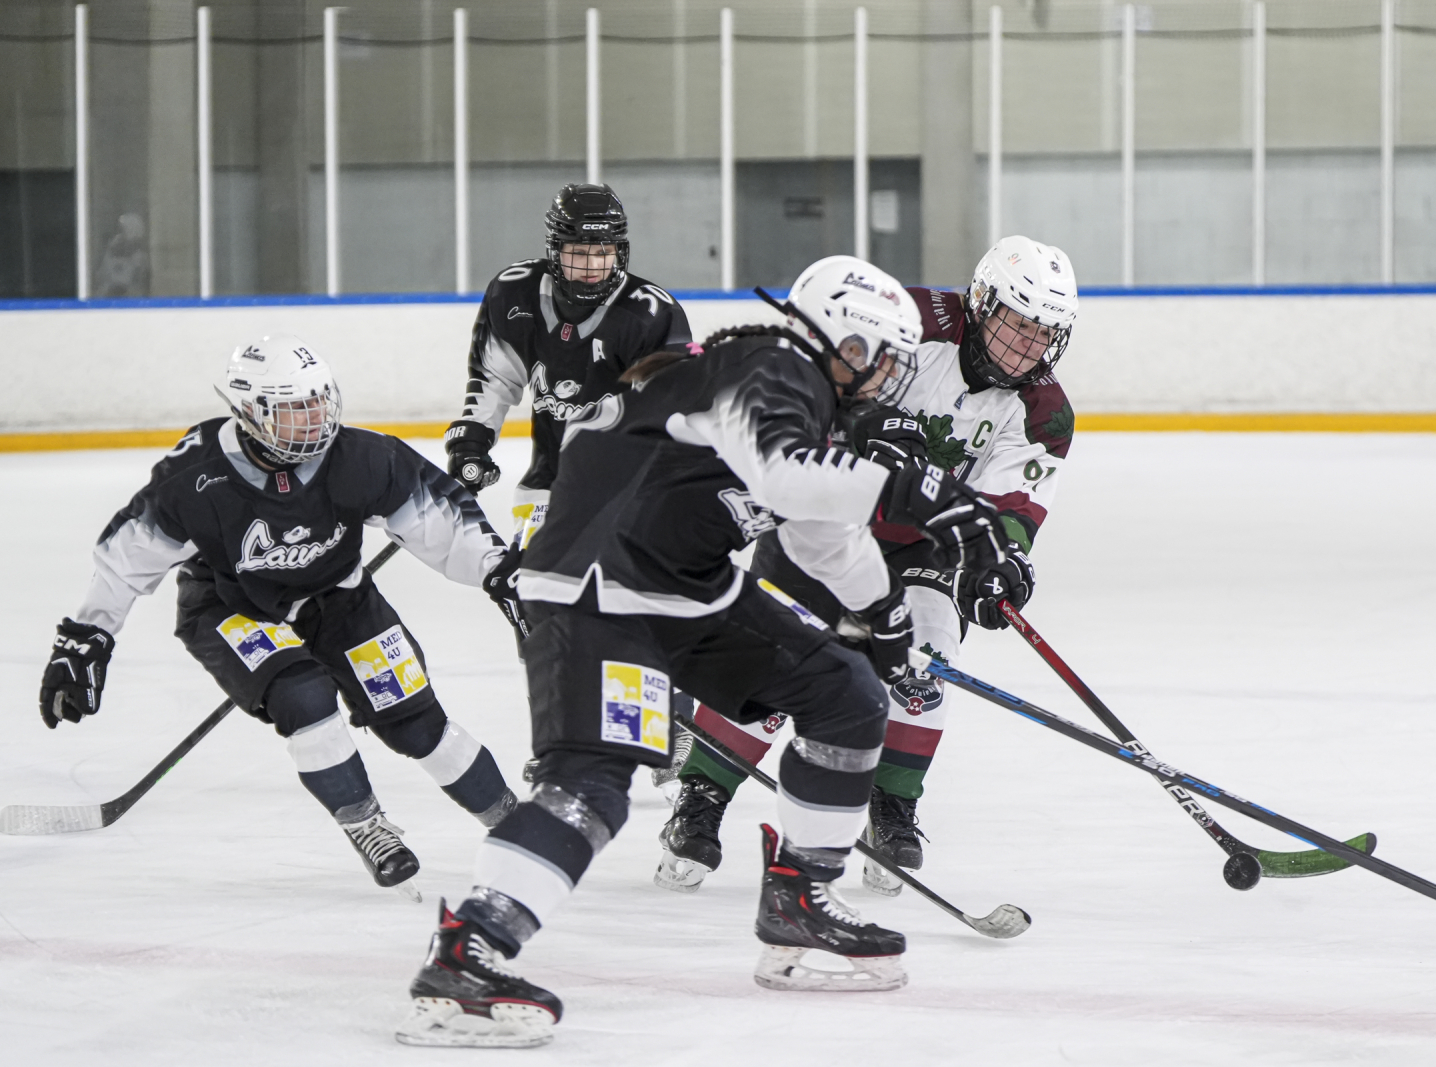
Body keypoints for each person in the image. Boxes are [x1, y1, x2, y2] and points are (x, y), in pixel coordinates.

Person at [395, 256, 1007, 1048]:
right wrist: (925, 494)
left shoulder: (792, 391)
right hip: (598, 590)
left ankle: (799, 899)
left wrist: (885, 615)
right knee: (592, 784)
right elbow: (784, 478)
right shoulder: (769, 364)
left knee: (846, 692)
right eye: (883, 358)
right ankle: (469, 952)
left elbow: (820, 536)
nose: (890, 378)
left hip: (684, 590)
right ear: (844, 341)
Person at [658, 235, 1078, 897]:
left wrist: (997, 564)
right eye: (1018, 324)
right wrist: (867, 423)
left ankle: (893, 807)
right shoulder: (911, 320)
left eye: (1044, 333)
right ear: (981, 302)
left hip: (922, 542)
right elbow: (817, 377)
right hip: (827, 513)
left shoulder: (1044, 413)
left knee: (929, 658)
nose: (1029, 345)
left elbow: (1012, 506)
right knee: (773, 655)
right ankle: (701, 798)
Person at [37, 336, 526, 897]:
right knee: (303, 695)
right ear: (250, 411)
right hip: (230, 606)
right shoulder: (195, 475)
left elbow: (437, 518)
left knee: (414, 720)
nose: (315, 418)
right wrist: (87, 636)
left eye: (319, 401)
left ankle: (514, 821)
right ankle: (365, 825)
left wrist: (496, 568)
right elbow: (127, 559)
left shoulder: (360, 457)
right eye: (295, 408)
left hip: (338, 598)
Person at [442, 182, 693, 552]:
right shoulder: (515, 294)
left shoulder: (650, 314)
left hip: (633, 484)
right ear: (555, 250)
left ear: (619, 251)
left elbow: (675, 409)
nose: (592, 266)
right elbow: (495, 379)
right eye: (578, 252)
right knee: (531, 580)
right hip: (551, 480)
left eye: (603, 252)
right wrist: (472, 441)